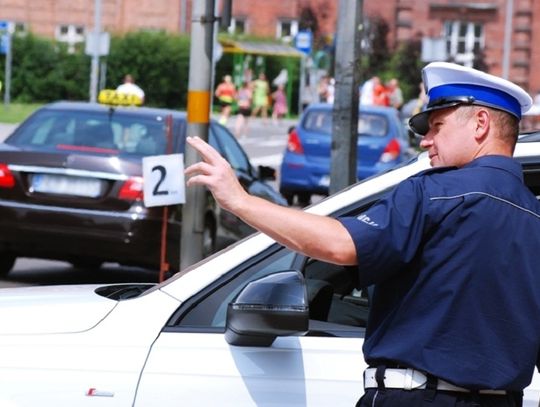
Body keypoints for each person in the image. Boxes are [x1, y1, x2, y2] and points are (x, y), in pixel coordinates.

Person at [185, 61, 540, 406]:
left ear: (480, 124)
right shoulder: (534, 216)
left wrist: (240, 201)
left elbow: (341, 245)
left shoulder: (432, 192)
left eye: (437, 126)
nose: (425, 142)